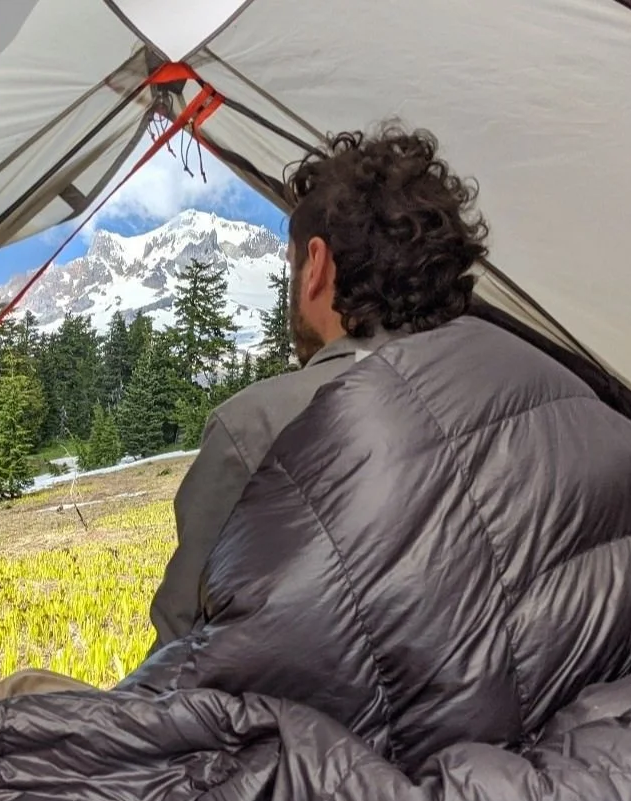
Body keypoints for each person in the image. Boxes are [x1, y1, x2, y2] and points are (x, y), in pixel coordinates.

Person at [148, 125, 489, 648]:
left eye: (294, 267)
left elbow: (184, 647)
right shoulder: (545, 384)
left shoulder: (255, 428)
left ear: (318, 267)